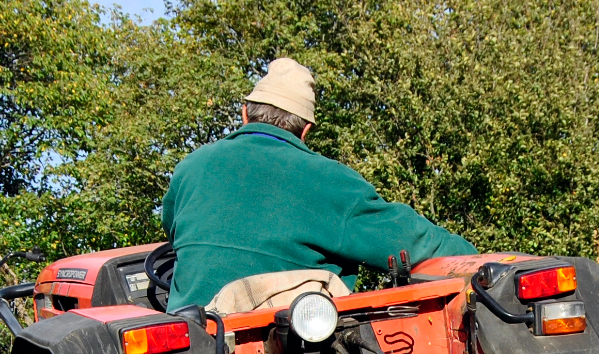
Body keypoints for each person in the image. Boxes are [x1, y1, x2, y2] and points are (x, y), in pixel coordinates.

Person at [161, 57, 477, 313]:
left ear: (245, 113)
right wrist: (472, 258)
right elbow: (408, 239)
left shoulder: (190, 168)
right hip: (287, 351)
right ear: (305, 130)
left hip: (198, 344)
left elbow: (172, 230)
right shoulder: (329, 180)